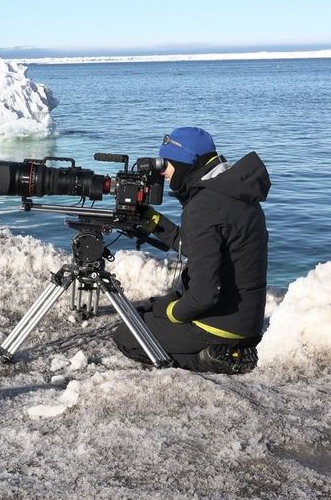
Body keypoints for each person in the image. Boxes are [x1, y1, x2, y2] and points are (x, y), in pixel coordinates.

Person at [112, 127, 270, 374]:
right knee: (149, 311)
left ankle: (216, 358)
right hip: (246, 319)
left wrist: (169, 311)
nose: (163, 172)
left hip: (218, 324)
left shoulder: (204, 206)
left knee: (129, 334)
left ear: (185, 162)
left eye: (166, 164)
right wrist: (153, 221)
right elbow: (196, 246)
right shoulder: (231, 192)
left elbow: (203, 296)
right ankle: (228, 346)